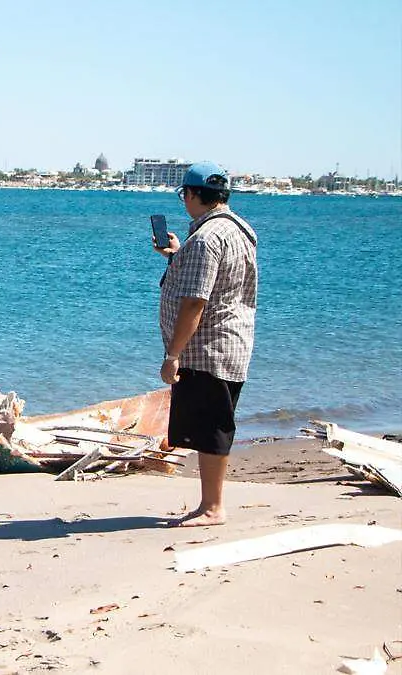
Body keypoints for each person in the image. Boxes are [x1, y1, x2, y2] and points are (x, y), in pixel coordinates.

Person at [154, 161, 258, 527]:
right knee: (212, 425)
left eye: (185, 194)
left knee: (212, 428)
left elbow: (196, 301)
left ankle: (213, 507)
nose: (184, 201)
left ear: (194, 194)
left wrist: (173, 355)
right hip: (231, 342)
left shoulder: (206, 239)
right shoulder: (238, 230)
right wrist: (176, 255)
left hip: (208, 347)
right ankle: (209, 504)